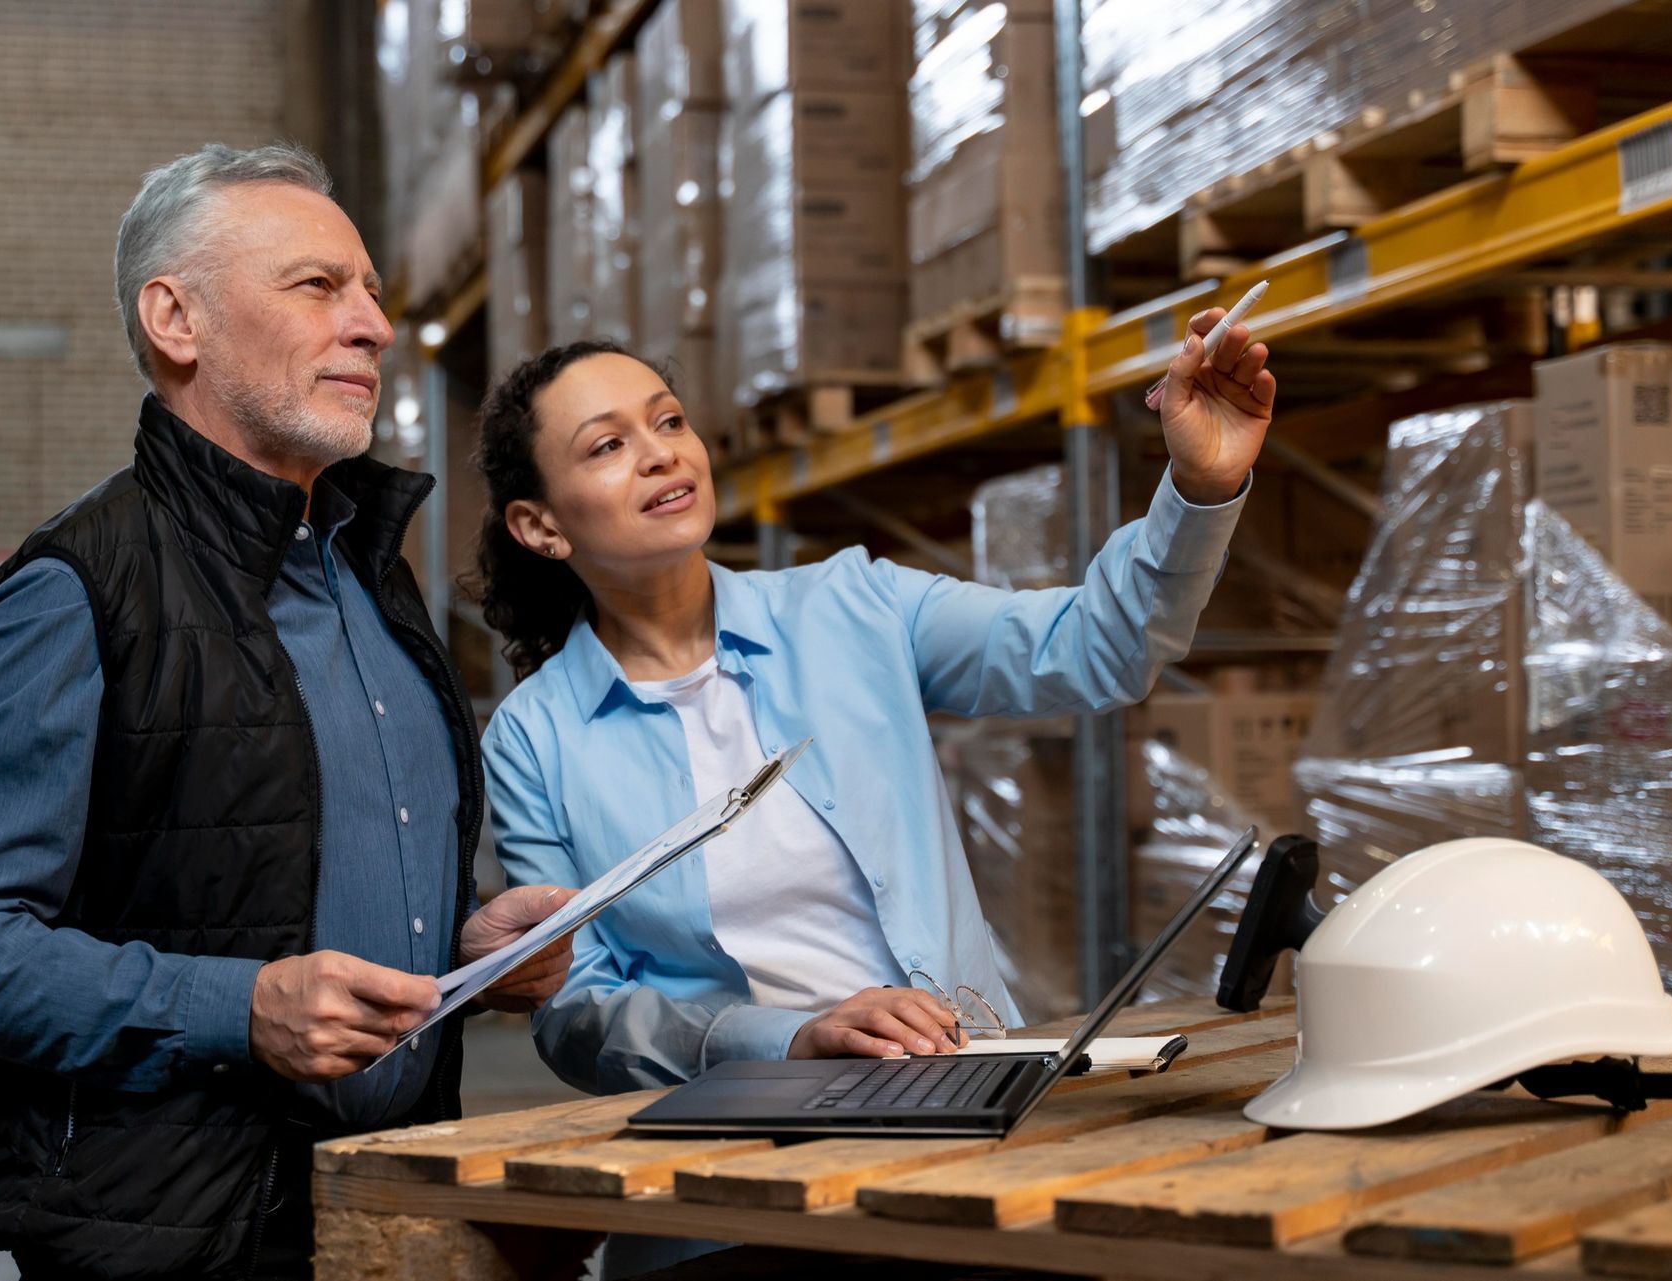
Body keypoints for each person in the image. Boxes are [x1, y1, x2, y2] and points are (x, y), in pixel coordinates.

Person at [0, 142, 575, 1281]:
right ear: (176, 321)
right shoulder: (81, 592)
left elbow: (262, 870)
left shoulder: (369, 576)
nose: (373, 327)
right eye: (317, 288)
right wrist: (237, 1008)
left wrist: (458, 956)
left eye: (373, 294)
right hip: (177, 1237)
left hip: (385, 1205)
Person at [473, 323, 1273, 1097]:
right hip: (730, 1140)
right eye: (608, 445)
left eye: (669, 420)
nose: (660, 453)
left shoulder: (856, 605)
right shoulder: (533, 740)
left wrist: (1199, 487)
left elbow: (1098, 645)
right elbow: (572, 1008)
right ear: (540, 526)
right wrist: (790, 1035)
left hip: (965, 1089)